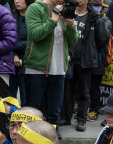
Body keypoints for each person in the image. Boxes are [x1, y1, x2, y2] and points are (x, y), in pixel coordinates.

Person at [23, 0, 78, 134]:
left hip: (59, 68)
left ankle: (53, 135)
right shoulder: (35, 8)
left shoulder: (65, 9)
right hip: (36, 68)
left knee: (55, 110)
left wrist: (71, 26)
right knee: (34, 109)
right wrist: (53, 19)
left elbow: (73, 41)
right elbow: (35, 34)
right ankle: (32, 135)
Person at [64, 0, 109, 132]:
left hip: (85, 60)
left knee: (84, 92)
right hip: (68, 58)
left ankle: (81, 119)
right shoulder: (68, 12)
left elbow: (102, 39)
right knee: (68, 91)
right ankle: (66, 117)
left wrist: (92, 50)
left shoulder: (94, 16)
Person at [8, 0, 31, 105]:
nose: (17, 1)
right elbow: (6, 38)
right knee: (10, 96)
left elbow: (33, 41)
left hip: (28, 60)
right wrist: (13, 54)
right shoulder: (11, 16)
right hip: (11, 60)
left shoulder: (33, 18)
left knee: (26, 97)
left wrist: (13, 45)